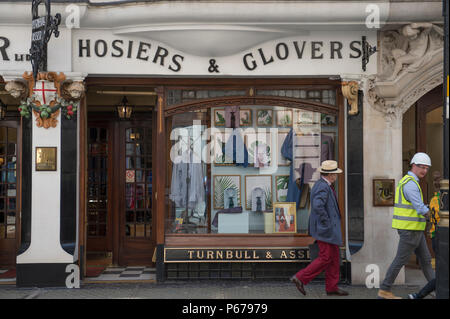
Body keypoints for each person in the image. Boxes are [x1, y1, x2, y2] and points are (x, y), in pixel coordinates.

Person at [378, 152, 435, 299]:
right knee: (401, 260)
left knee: (426, 260)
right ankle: (384, 290)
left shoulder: (409, 181)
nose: (424, 170)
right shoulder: (410, 184)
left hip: (415, 229)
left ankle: (437, 289)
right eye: (422, 167)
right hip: (410, 230)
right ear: (413, 165)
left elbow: (417, 206)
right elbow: (420, 209)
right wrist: (436, 216)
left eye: (427, 168)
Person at [290, 160, 348, 296]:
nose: (336, 176)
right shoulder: (322, 186)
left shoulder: (324, 185)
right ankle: (300, 278)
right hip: (325, 230)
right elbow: (318, 206)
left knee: (334, 258)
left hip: (328, 229)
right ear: (330, 175)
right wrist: (327, 223)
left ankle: (332, 287)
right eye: (335, 174)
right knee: (326, 257)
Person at [408, 171, 441, 299]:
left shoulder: (433, 200)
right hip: (441, 238)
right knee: (443, 273)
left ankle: (419, 295)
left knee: (442, 271)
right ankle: (419, 295)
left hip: (434, 236)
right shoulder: (443, 200)